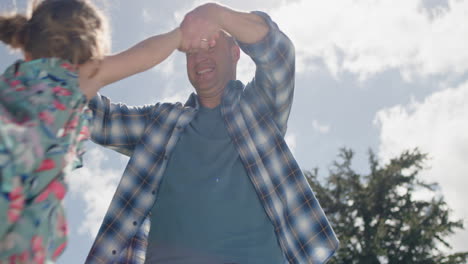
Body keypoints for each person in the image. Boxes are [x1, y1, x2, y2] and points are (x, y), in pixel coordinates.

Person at [85, 3, 339, 264]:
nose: (199, 57)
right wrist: (175, 37)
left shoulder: (259, 107)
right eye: (191, 51)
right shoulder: (160, 123)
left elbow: (279, 53)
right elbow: (86, 111)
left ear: (235, 53)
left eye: (211, 45)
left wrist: (216, 14)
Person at [0, 0, 187, 263]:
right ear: (90, 52)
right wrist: (180, 36)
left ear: (27, 50)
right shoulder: (74, 78)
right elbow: (145, 55)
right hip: (17, 221)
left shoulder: (12, 83)